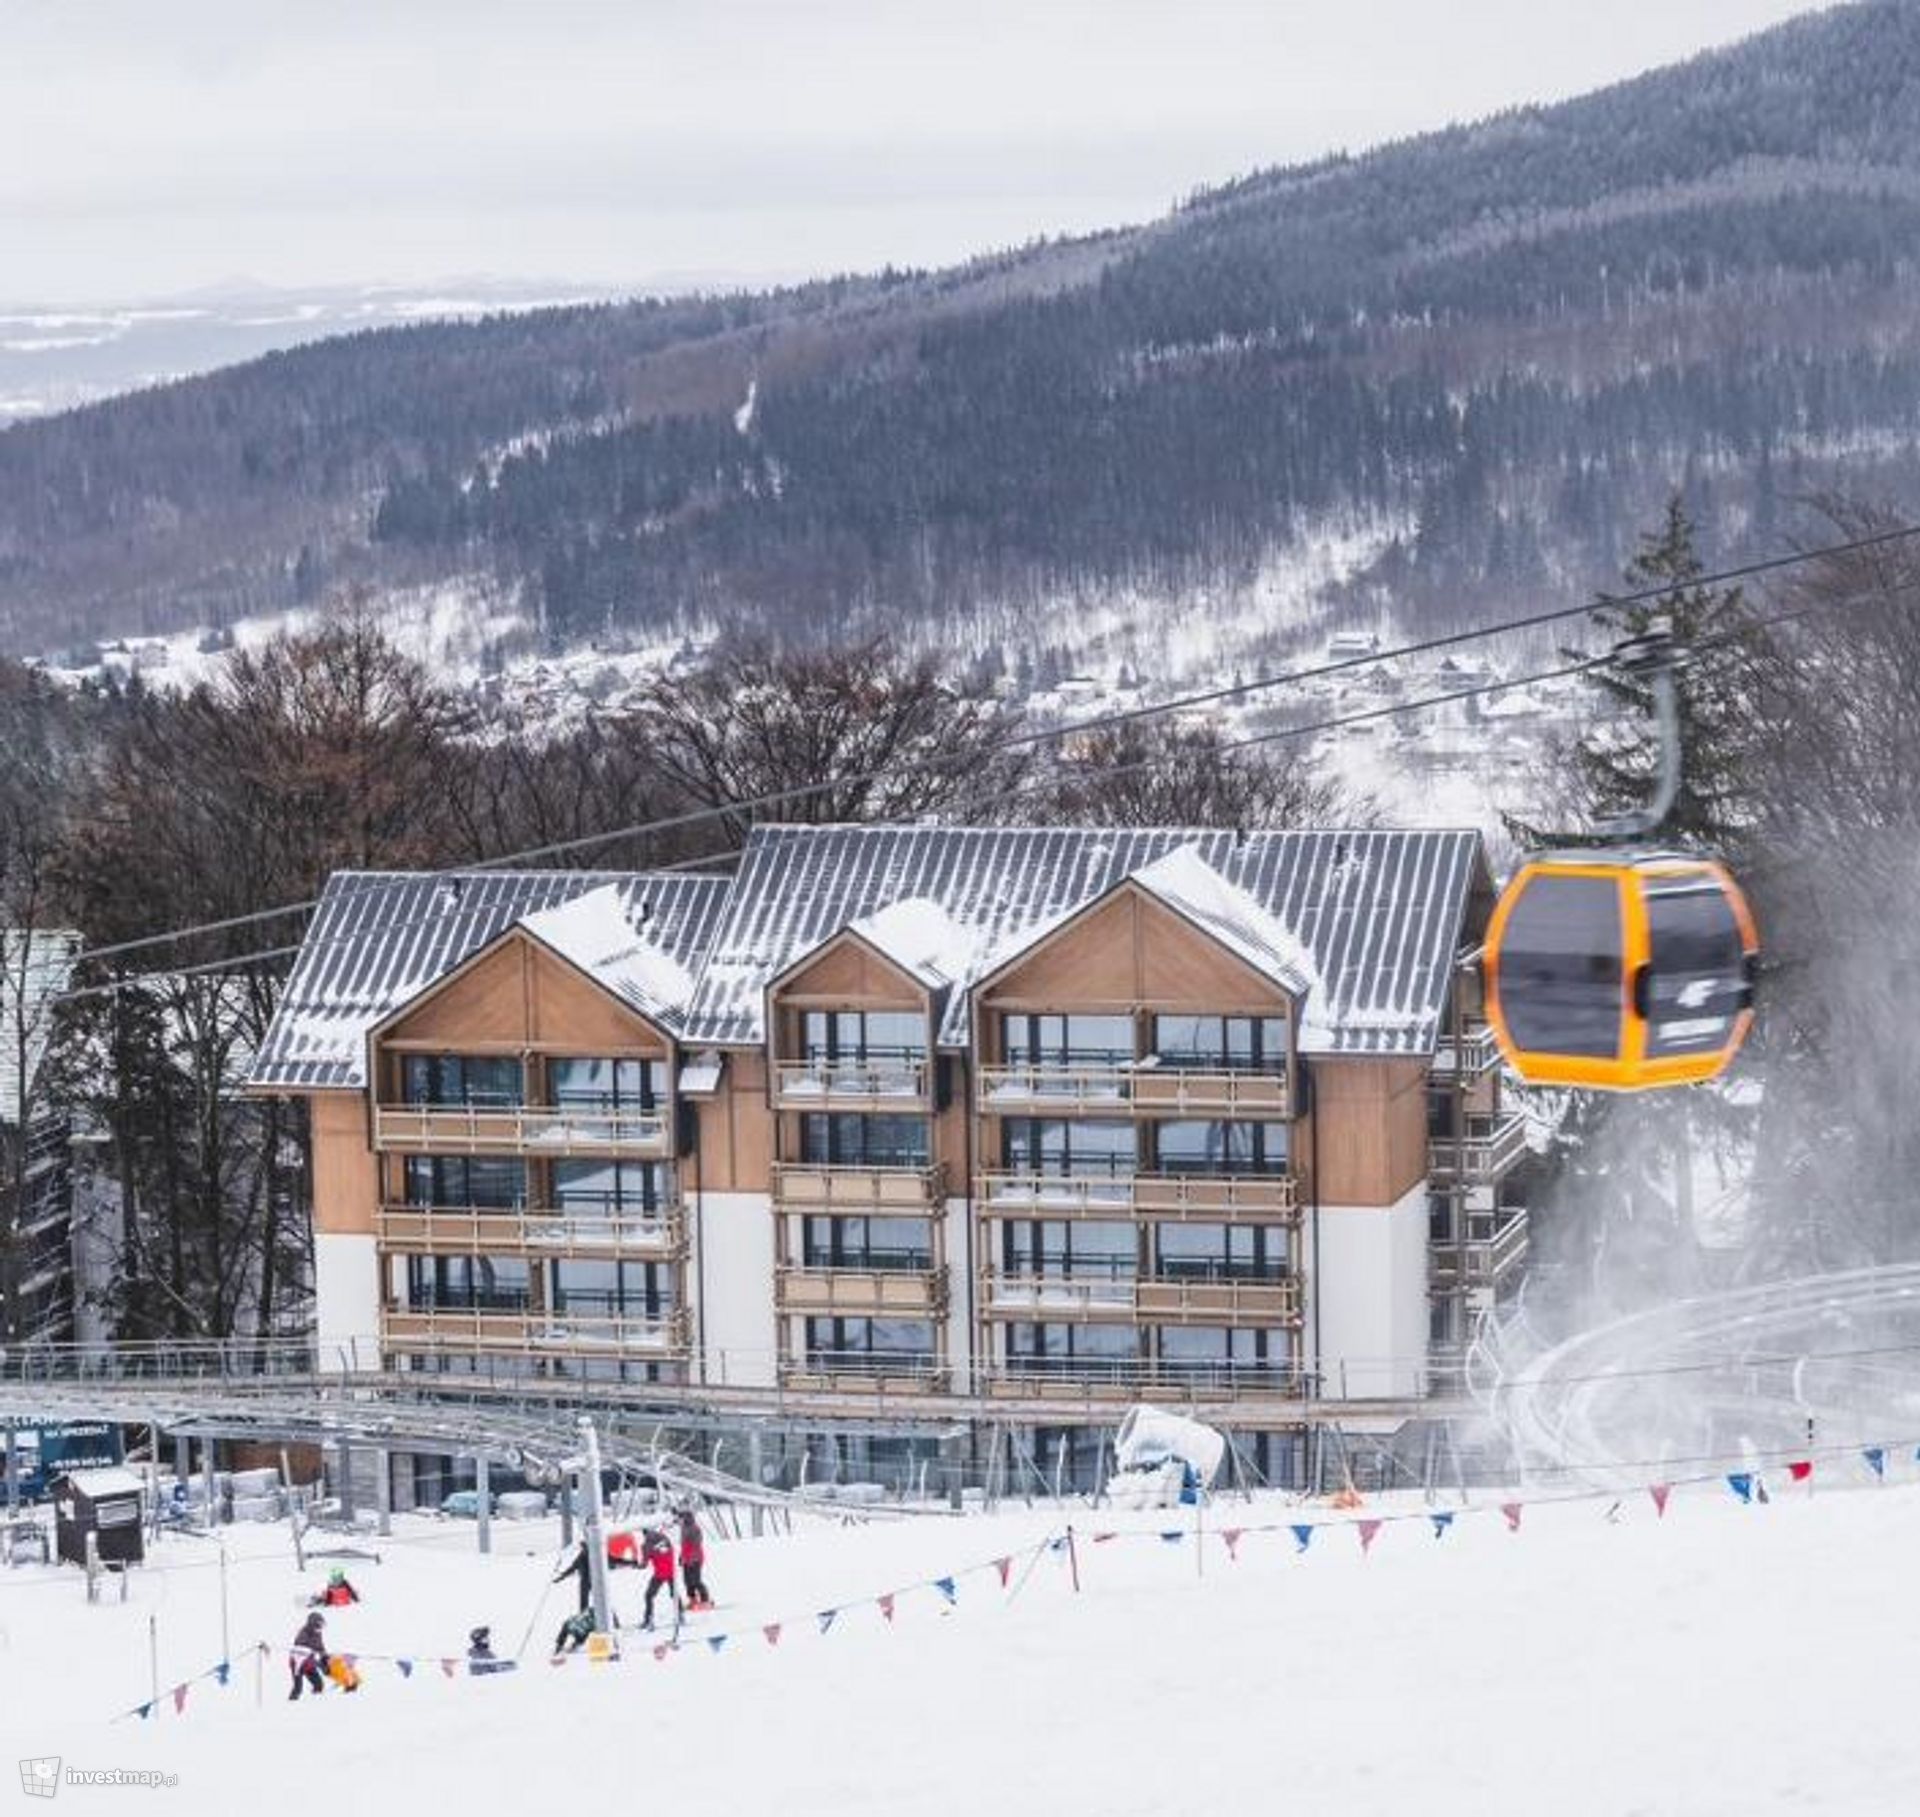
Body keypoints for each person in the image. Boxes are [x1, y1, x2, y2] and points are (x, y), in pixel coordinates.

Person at [640, 1525, 679, 1631]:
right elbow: (672, 1550)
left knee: (649, 1596)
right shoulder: (665, 1538)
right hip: (672, 1571)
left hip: (660, 1574)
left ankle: (649, 1619)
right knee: (674, 1594)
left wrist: (636, 1564)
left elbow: (644, 1564)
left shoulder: (646, 1545)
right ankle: (680, 1614)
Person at [289, 1612, 329, 1700]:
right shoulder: (304, 1632)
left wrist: (325, 1659)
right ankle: (291, 1705)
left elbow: (320, 1647)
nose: (321, 1627)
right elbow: (299, 1645)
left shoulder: (318, 1633)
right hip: (298, 1663)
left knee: (319, 1685)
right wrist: (311, 1650)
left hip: (309, 1664)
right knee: (298, 1688)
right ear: (313, 1623)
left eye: (322, 1624)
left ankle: (314, 1702)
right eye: (319, 1624)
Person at [677, 1508, 711, 1610]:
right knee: (687, 1581)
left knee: (696, 1580)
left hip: (696, 1559)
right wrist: (681, 1556)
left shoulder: (695, 1528)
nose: (683, 1519)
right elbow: (684, 1545)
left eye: (685, 1518)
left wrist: (692, 1558)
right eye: (683, 1518)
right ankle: (692, 1599)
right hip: (686, 1559)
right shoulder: (683, 1527)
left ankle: (705, 1599)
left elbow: (697, 1545)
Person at [553, 1540, 591, 1614]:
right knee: (583, 1601)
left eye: (585, 1546)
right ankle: (583, 1615)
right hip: (584, 1581)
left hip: (595, 1581)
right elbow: (572, 1568)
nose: (583, 1548)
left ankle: (612, 1619)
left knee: (601, 1600)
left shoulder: (595, 1556)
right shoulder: (581, 1556)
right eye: (582, 1547)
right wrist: (561, 1577)